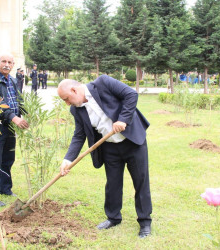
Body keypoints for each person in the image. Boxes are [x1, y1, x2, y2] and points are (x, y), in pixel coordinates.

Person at [57, 75, 152, 238]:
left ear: (74, 90)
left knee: (140, 181)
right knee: (113, 183)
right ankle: (113, 218)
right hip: (109, 147)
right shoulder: (76, 109)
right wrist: (67, 160)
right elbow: (79, 136)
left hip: (132, 141)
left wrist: (123, 119)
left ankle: (144, 222)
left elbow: (131, 94)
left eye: (66, 99)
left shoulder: (102, 83)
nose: (67, 103)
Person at [0, 53, 29, 207]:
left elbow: (19, 100)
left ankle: (5, 188)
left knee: (8, 159)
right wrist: (13, 117)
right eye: (4, 61)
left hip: (10, 127)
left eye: (10, 62)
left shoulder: (14, 80)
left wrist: (27, 113)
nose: (7, 65)